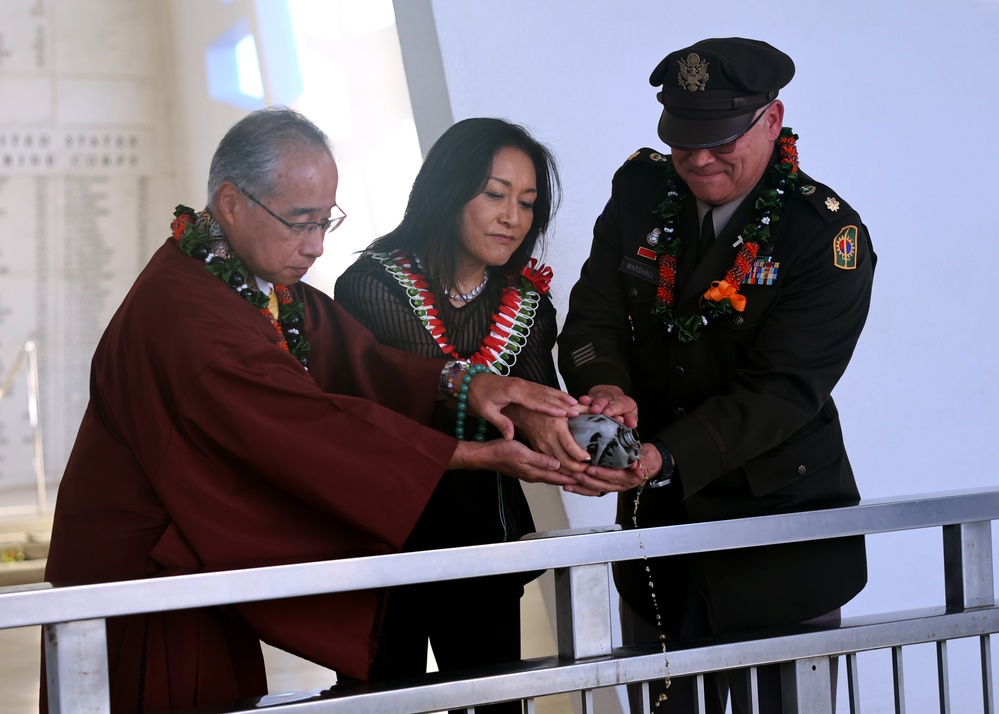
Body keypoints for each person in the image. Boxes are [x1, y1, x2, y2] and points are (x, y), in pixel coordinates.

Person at [41, 107, 639, 713]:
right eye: (301, 223)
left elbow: (358, 357)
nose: (316, 246)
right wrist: (473, 453)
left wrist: (463, 381)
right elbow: (305, 431)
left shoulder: (255, 284)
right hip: (141, 574)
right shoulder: (188, 315)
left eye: (326, 222)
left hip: (195, 558)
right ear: (230, 203)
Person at [557, 38, 876, 713]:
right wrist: (606, 386)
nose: (698, 159)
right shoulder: (642, 191)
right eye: (682, 139)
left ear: (771, 119)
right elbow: (591, 322)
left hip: (778, 543)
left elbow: (784, 390)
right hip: (659, 539)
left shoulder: (822, 235)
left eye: (718, 137)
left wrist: (665, 455)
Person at [335, 117, 591, 713]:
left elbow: (537, 403)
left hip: (482, 541)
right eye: (495, 194)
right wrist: (522, 411)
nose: (513, 218)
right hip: (385, 542)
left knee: (494, 703)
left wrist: (590, 438)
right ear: (449, 190)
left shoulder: (528, 304)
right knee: (379, 702)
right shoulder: (372, 287)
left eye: (527, 203)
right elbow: (416, 376)